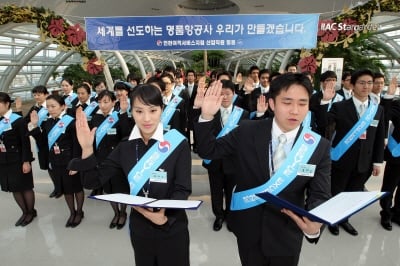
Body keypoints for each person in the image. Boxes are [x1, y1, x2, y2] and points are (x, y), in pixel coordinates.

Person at [194, 73, 331, 266]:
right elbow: (209, 150)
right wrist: (206, 116)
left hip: (287, 234)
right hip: (249, 229)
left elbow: (320, 193)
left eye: (302, 103)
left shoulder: (318, 146)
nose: (295, 110)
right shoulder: (247, 130)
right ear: (272, 104)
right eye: (287, 102)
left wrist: (315, 223)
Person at [69, 84, 192, 266]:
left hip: (172, 227)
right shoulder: (125, 147)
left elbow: (183, 189)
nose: (147, 118)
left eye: (153, 110)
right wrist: (87, 149)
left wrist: (165, 217)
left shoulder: (177, 143)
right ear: (131, 112)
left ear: (162, 110)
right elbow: (92, 181)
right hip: (140, 228)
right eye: (139, 111)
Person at [316, 69, 385, 236]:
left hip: (364, 162)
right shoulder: (340, 107)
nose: (366, 86)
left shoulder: (377, 109)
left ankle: (344, 219)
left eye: (370, 83)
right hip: (342, 159)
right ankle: (332, 219)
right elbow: (323, 125)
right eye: (362, 82)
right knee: (337, 191)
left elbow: (379, 137)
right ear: (352, 85)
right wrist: (325, 102)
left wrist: (378, 162)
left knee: (352, 194)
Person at [198, 79, 249, 231]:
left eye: (228, 94)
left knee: (232, 191)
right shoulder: (210, 112)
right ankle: (219, 216)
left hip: (234, 162)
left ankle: (231, 216)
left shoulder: (243, 114)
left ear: (234, 94)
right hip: (215, 161)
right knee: (216, 191)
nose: (225, 97)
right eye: (221, 94)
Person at [28, 95, 84, 228]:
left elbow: (77, 144)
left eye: (53, 106)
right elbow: (42, 143)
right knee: (65, 189)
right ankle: (72, 212)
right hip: (56, 161)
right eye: (48, 107)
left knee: (76, 187)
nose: (50, 109)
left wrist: (76, 164)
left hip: (70, 161)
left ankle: (80, 212)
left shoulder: (71, 121)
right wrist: (35, 126)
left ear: (63, 106)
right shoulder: (47, 122)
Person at [89, 90, 133, 228]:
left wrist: (124, 113)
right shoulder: (95, 118)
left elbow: (127, 134)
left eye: (106, 102)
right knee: (110, 189)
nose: (102, 105)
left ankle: (123, 212)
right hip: (102, 160)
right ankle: (116, 212)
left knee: (122, 188)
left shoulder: (120, 116)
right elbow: (93, 141)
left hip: (119, 160)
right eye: (100, 102)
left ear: (114, 102)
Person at [0, 92, 36, 227]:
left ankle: (31, 212)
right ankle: (25, 211)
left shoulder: (18, 120)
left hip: (19, 159)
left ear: (7, 104)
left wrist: (26, 161)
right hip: (4, 160)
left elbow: (25, 142)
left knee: (25, 187)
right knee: (14, 188)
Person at [23, 85, 61, 198]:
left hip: (54, 140)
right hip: (40, 141)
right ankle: (56, 187)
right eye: (34, 95)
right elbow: (24, 121)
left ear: (46, 94)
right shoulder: (34, 108)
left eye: (39, 94)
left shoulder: (51, 107)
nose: (37, 97)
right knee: (48, 166)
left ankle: (61, 187)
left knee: (57, 165)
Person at [379, 99, 400, 230]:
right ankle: (385, 213)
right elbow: (385, 116)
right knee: (389, 186)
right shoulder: (398, 104)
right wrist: (388, 97)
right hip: (397, 153)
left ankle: (397, 213)